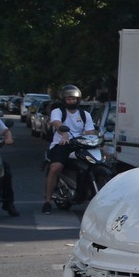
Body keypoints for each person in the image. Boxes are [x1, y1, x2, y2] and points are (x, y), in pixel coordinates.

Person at [42, 85, 97, 214]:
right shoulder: (58, 112)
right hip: (62, 143)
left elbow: (89, 131)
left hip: (81, 144)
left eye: (74, 99)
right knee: (55, 167)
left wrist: (94, 139)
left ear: (78, 100)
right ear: (64, 100)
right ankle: (48, 201)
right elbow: (56, 123)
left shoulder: (85, 114)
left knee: (96, 162)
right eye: (69, 99)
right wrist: (63, 133)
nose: (72, 101)